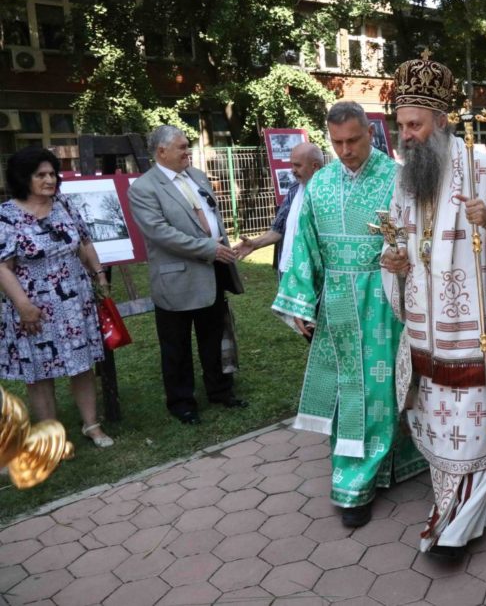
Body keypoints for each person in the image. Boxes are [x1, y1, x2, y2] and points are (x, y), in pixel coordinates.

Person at [380, 53, 486, 556]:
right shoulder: (405, 179)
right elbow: (396, 242)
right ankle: (446, 508)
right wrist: (395, 263)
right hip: (425, 332)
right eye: (401, 124)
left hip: (472, 331)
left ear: (442, 122)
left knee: (471, 430)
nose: (406, 135)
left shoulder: (481, 165)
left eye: (416, 124)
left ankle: (459, 527)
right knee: (437, 427)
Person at [270, 102, 425, 527]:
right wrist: (300, 300)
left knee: (382, 389)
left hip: (383, 301)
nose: (346, 149)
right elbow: (305, 245)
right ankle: (356, 479)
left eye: (353, 140)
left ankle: (361, 482)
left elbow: (422, 238)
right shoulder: (319, 183)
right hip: (337, 303)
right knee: (346, 393)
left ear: (369, 134)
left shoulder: (399, 179)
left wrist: (405, 262)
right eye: (337, 142)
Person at [128, 125, 245, 425]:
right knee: (176, 345)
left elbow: (210, 215)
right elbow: (160, 233)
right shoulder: (143, 188)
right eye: (181, 147)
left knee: (213, 335)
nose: (187, 152)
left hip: (213, 270)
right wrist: (208, 248)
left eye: (187, 146)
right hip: (177, 278)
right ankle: (182, 403)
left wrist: (219, 247)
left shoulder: (197, 176)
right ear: (161, 151)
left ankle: (220, 390)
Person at [0, 147, 113, 448]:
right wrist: (24, 306)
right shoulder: (7, 216)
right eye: (41, 175)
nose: (50, 180)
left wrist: (99, 275)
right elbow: (3, 267)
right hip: (33, 307)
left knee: (82, 365)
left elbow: (85, 242)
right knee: (39, 374)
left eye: (52, 174)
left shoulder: (64, 204)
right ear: (24, 178)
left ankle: (92, 425)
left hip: (75, 303)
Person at [233, 143, 324, 274]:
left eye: (297, 165)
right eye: (292, 165)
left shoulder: (331, 193)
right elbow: (277, 230)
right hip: (289, 271)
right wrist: (254, 244)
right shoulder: (294, 189)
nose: (292, 170)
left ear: (315, 166)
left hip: (317, 272)